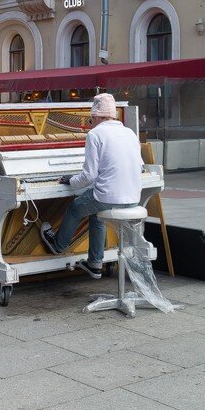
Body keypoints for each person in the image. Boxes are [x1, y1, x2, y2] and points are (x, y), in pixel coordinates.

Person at [39, 93, 142, 278]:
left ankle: (58, 246)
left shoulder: (95, 134)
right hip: (133, 196)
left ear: (95, 116)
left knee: (75, 207)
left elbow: (88, 176)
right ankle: (95, 263)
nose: (90, 122)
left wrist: (70, 180)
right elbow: (139, 166)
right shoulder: (130, 133)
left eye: (90, 119)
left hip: (110, 197)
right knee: (96, 215)